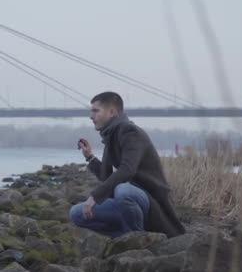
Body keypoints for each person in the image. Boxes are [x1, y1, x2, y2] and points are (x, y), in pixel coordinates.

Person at [70, 91, 186, 238]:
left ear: (112, 112)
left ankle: (137, 240)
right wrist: (90, 158)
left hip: (150, 205)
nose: (91, 116)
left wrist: (95, 197)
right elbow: (106, 177)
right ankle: (125, 237)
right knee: (76, 213)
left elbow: (127, 170)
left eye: (95, 111)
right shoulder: (110, 136)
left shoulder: (130, 132)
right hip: (129, 204)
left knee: (123, 190)